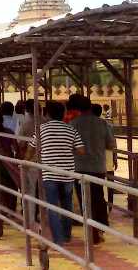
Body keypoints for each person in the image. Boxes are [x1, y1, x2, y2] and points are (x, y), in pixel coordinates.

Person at [25, 100, 84, 245]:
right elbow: (81, 150)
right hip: (68, 174)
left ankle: (58, 239)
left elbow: (30, 150)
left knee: (52, 207)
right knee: (67, 206)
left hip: (49, 174)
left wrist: (25, 162)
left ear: (47, 114)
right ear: (63, 113)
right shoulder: (70, 129)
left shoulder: (41, 129)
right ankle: (66, 235)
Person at [71, 97, 115, 244]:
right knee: (98, 198)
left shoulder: (73, 124)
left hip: (79, 168)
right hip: (98, 167)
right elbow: (110, 144)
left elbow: (70, 145)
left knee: (84, 199)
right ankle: (99, 229)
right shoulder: (103, 123)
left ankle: (90, 228)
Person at [92, 103, 116, 208]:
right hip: (108, 157)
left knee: (97, 185)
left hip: (96, 160)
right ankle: (110, 204)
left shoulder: (89, 126)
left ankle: (101, 205)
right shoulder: (107, 125)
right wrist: (115, 158)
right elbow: (113, 143)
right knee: (109, 183)